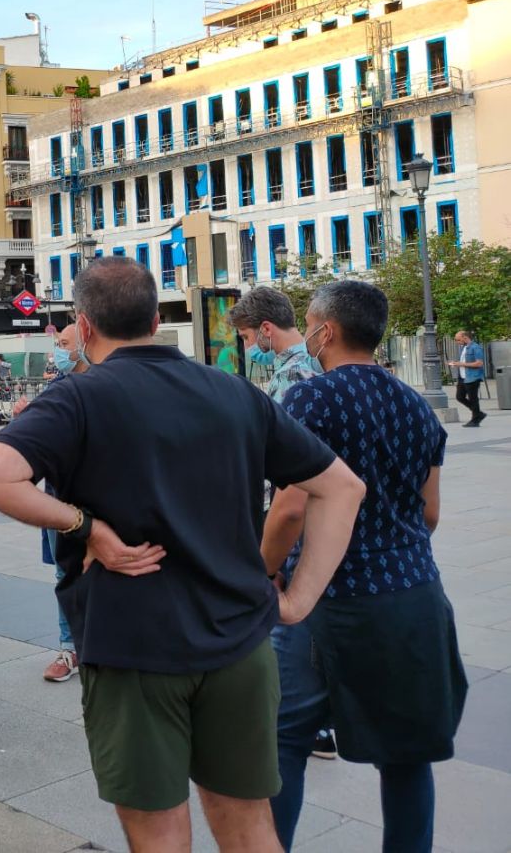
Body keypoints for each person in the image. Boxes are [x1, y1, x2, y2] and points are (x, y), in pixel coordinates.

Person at [0, 257, 364, 853]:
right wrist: (298, 599)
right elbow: (342, 486)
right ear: (155, 319)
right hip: (238, 645)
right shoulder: (234, 393)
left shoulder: (77, 397)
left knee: (158, 835)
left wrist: (87, 527)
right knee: (251, 825)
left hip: (133, 648)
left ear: (84, 324)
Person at [265, 281, 467, 852]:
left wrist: (262, 571)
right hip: (413, 595)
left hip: (324, 597)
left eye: (308, 324)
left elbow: (291, 507)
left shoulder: (311, 399)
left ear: (325, 332)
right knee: (407, 753)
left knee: (284, 739)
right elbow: (428, 514)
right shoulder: (415, 405)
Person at [228, 286, 335, 758]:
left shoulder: (295, 377)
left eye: (249, 337)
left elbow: (294, 471)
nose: (250, 346)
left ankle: (303, 723)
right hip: (318, 513)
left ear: (266, 330)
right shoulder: (312, 368)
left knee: (286, 612)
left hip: (296, 514)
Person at [35, 324, 88, 684]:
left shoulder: (105, 384)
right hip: (58, 496)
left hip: (98, 496)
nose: (58, 351)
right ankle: (69, 648)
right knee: (63, 571)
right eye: (56, 344)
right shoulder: (54, 389)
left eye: (64, 344)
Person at [230, 287, 322, 403]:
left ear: (266, 329)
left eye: (245, 337)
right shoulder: (318, 358)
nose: (245, 346)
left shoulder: (287, 377)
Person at [449, 329, 486, 428]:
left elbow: (479, 363)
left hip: (472, 377)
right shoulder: (463, 348)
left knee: (473, 399)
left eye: (458, 340)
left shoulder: (475, 347)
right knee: (459, 397)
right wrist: (455, 363)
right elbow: (464, 361)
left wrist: (460, 364)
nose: (457, 342)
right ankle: (478, 414)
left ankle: (475, 420)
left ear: (465, 337)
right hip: (463, 377)